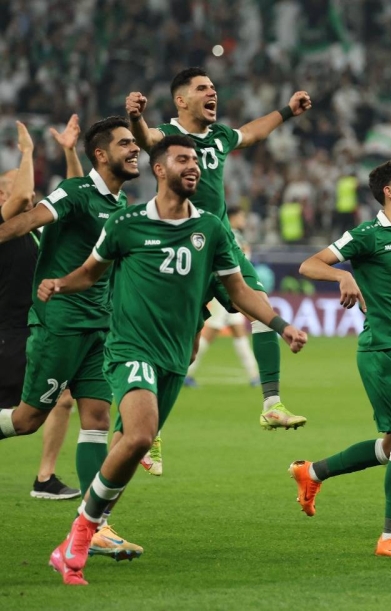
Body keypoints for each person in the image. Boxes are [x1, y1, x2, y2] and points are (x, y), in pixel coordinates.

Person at [43, 135, 308, 586]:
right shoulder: (126, 223)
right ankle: (81, 536)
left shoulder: (212, 228)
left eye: (196, 161)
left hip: (172, 357)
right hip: (130, 348)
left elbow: (239, 291)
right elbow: (91, 272)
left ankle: (81, 534)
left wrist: (281, 325)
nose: (194, 167)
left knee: (132, 447)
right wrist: (59, 284)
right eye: (183, 159)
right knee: (142, 434)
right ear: (159, 169)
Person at [125, 67, 311, 431]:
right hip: (182, 247)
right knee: (186, 350)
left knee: (260, 306)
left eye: (213, 87)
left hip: (221, 243)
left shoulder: (221, 135)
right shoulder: (170, 137)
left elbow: (253, 133)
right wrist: (135, 117)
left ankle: (272, 403)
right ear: (181, 100)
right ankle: (147, 430)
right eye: (202, 88)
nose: (213, 93)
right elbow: (146, 139)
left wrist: (287, 110)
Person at [0, 116, 146, 559]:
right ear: (102, 154)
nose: (135, 148)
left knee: (98, 419)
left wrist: (69, 151)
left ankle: (95, 525)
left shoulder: (116, 205)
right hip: (60, 322)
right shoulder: (77, 193)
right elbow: (27, 220)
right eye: (125, 144)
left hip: (99, 326)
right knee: (27, 420)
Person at [292, 158, 391, 558]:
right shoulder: (368, 234)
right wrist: (343, 275)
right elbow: (310, 264)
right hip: (382, 349)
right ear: (389, 192)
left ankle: (312, 472)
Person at [0, 118, 83, 500]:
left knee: (61, 398)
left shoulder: (33, 229)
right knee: (19, 417)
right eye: (13, 185)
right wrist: (28, 152)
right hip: (8, 335)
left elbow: (77, 200)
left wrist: (69, 153)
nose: (26, 191)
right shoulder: (6, 225)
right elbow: (18, 200)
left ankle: (45, 478)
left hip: (31, 331)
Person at [185, 206, 260, 389]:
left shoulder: (234, 234)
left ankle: (255, 375)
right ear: (233, 217)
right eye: (241, 216)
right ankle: (185, 372)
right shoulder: (229, 234)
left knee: (238, 331)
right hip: (226, 289)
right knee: (211, 331)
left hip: (231, 289)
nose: (243, 219)